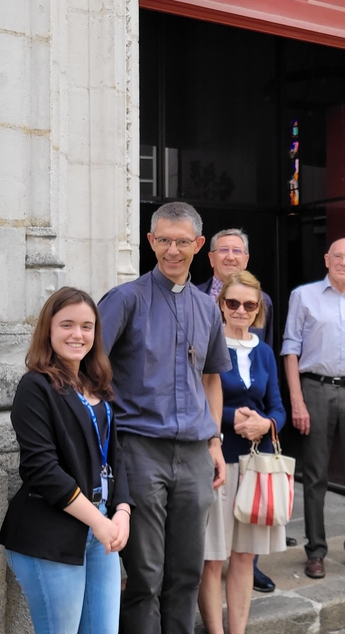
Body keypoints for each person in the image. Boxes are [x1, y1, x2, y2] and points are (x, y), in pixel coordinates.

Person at [97, 202, 230, 634]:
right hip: (140, 450)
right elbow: (90, 368)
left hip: (194, 455)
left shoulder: (208, 309)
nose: (173, 250)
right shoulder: (125, 299)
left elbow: (211, 379)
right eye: (164, 240)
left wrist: (214, 443)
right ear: (151, 241)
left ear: (199, 244)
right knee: (146, 575)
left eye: (182, 241)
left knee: (187, 572)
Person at [0, 287, 133, 634]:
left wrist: (122, 510)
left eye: (87, 326)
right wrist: (99, 521)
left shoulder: (96, 385)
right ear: (48, 329)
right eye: (67, 325)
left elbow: (115, 456)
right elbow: (42, 469)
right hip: (53, 532)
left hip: (101, 526)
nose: (78, 334)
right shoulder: (35, 386)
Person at [281, 238, 345, 581]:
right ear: (326, 260)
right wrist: (297, 400)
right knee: (315, 476)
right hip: (316, 388)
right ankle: (316, 551)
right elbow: (291, 349)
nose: (343, 262)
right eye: (337, 256)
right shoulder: (303, 296)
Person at [196, 228, 288, 592]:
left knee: (245, 550)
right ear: (211, 257)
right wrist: (231, 417)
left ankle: (251, 568)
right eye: (224, 250)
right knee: (211, 551)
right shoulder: (196, 300)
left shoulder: (262, 343)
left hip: (256, 456)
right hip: (217, 452)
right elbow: (198, 390)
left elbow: (272, 399)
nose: (241, 310)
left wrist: (265, 423)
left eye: (249, 306)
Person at [196, 229, 274, 347]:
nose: (230, 257)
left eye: (237, 251)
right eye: (224, 250)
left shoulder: (263, 301)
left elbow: (265, 347)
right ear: (211, 258)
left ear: (246, 260)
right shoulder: (193, 297)